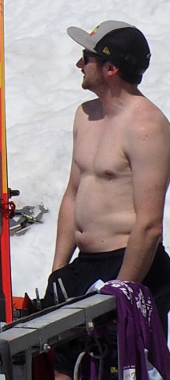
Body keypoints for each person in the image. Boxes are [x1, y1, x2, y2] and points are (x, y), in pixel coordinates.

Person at [48, 22, 170, 324]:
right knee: (61, 368)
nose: (79, 64)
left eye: (86, 58)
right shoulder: (85, 115)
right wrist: (58, 271)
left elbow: (150, 224)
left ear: (110, 68)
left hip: (129, 264)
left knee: (120, 370)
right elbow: (73, 194)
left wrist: (123, 288)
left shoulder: (147, 126)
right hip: (84, 265)